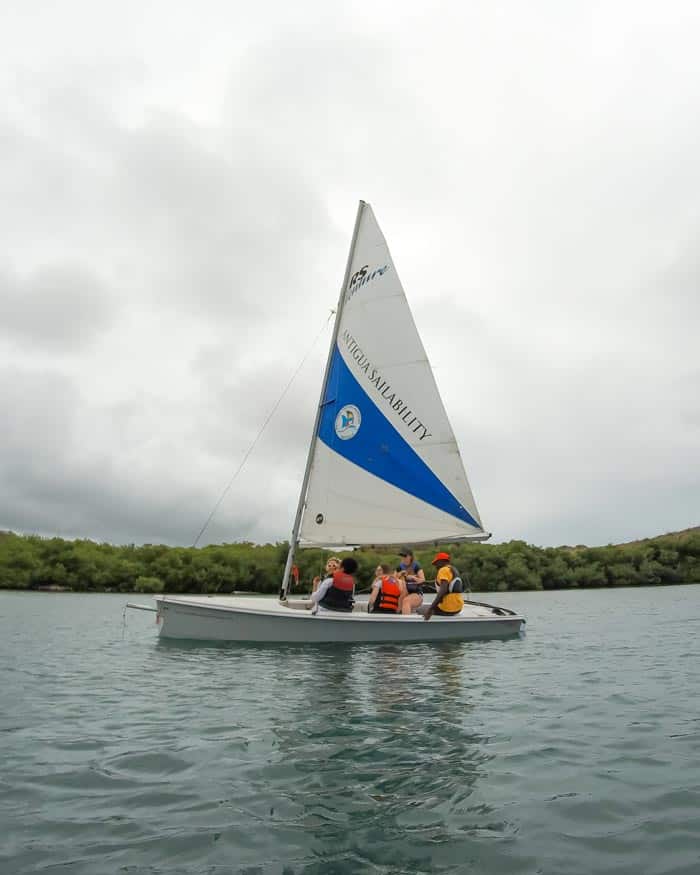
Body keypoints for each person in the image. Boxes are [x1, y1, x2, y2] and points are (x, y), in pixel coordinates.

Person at [421, 552, 464, 621]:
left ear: (441, 561)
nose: (435, 566)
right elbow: (442, 584)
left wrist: (430, 609)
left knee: (419, 609)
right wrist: (424, 583)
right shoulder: (452, 569)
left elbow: (443, 590)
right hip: (458, 608)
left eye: (436, 563)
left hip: (447, 608)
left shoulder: (443, 570)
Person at [397, 548, 426, 615]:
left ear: (410, 556)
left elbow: (423, 580)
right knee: (401, 600)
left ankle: (406, 624)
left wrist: (413, 577)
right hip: (403, 594)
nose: (403, 558)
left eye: (405, 556)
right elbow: (393, 579)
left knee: (406, 601)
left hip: (416, 594)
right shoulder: (399, 567)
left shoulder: (416, 566)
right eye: (402, 556)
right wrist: (399, 574)